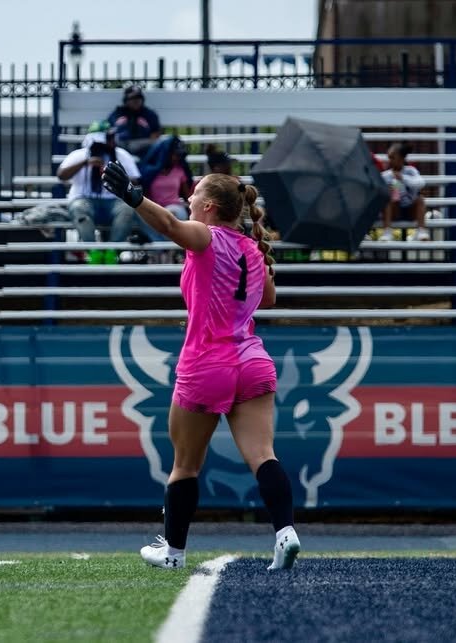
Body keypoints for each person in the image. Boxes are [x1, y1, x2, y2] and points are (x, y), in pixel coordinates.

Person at [101, 160, 300, 572]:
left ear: (209, 206)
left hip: (207, 364)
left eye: (195, 195)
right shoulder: (251, 249)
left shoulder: (206, 236)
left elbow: (170, 226)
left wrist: (134, 197)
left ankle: (173, 553)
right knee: (264, 455)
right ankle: (285, 533)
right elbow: (268, 299)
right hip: (252, 361)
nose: (189, 199)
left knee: (185, 465)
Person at [56, 129, 141, 243]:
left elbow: (136, 181)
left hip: (114, 200)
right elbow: (61, 175)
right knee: (78, 207)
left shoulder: (121, 154)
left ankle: (113, 250)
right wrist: (85, 163)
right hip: (84, 198)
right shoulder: (79, 155)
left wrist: (116, 175)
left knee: (127, 209)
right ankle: (92, 250)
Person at [138, 135, 193, 241]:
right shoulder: (151, 172)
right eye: (175, 154)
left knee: (169, 214)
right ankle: (160, 246)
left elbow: (187, 196)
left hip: (175, 207)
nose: (177, 158)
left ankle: (165, 247)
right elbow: (145, 195)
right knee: (142, 215)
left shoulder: (179, 170)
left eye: (179, 155)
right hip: (154, 207)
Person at [379, 143, 428, 242]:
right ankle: (387, 231)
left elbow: (421, 183)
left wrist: (402, 178)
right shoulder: (386, 175)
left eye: (393, 158)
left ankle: (421, 231)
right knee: (389, 198)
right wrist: (387, 190)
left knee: (420, 199)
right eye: (389, 158)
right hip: (395, 211)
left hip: (410, 210)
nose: (390, 161)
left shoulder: (410, 171)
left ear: (402, 158)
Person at [107, 85, 161, 156]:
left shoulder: (149, 114)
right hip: (121, 145)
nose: (136, 100)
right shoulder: (118, 113)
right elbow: (109, 130)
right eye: (132, 98)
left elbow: (155, 134)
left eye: (139, 97)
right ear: (126, 100)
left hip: (142, 145)